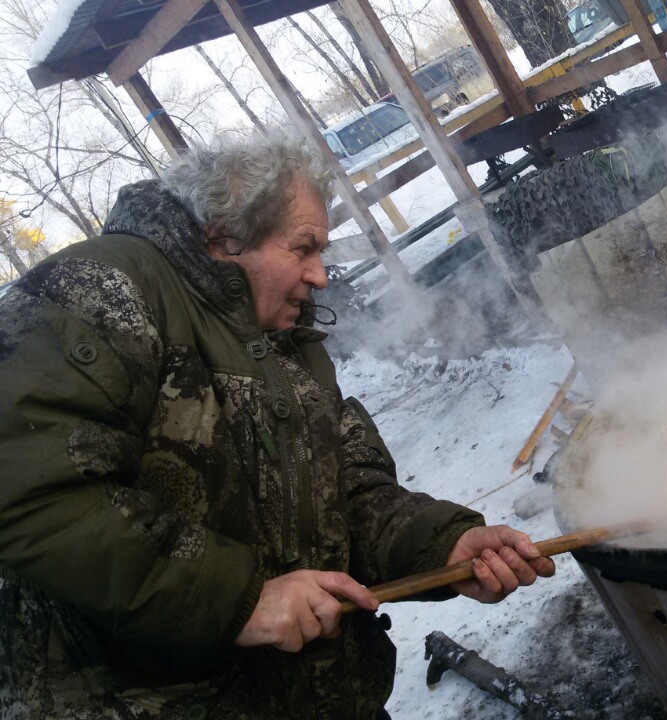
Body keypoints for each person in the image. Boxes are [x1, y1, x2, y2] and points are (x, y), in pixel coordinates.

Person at [0, 132, 555, 719]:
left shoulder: (282, 337)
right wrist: (236, 602)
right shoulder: (96, 290)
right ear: (224, 238)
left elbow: (348, 491)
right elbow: (28, 488)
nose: (318, 274)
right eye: (304, 248)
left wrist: (441, 543)